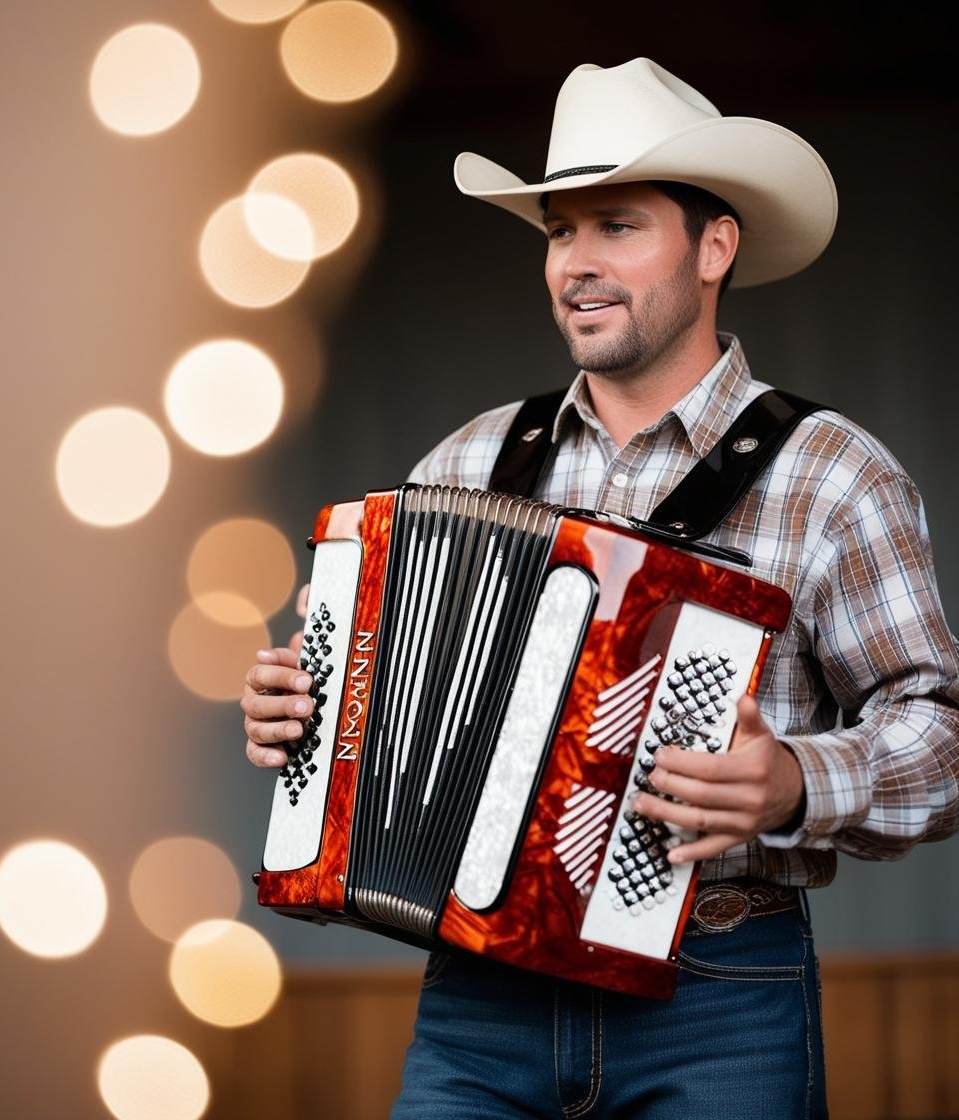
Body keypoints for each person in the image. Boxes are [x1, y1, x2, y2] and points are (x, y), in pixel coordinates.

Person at [241, 58, 959, 1118]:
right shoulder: (467, 462)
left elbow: (940, 732)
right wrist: (298, 707)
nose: (576, 261)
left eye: (616, 224)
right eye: (557, 231)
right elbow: (370, 701)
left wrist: (794, 782)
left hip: (716, 987)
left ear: (714, 247)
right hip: (476, 996)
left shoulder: (834, 473)